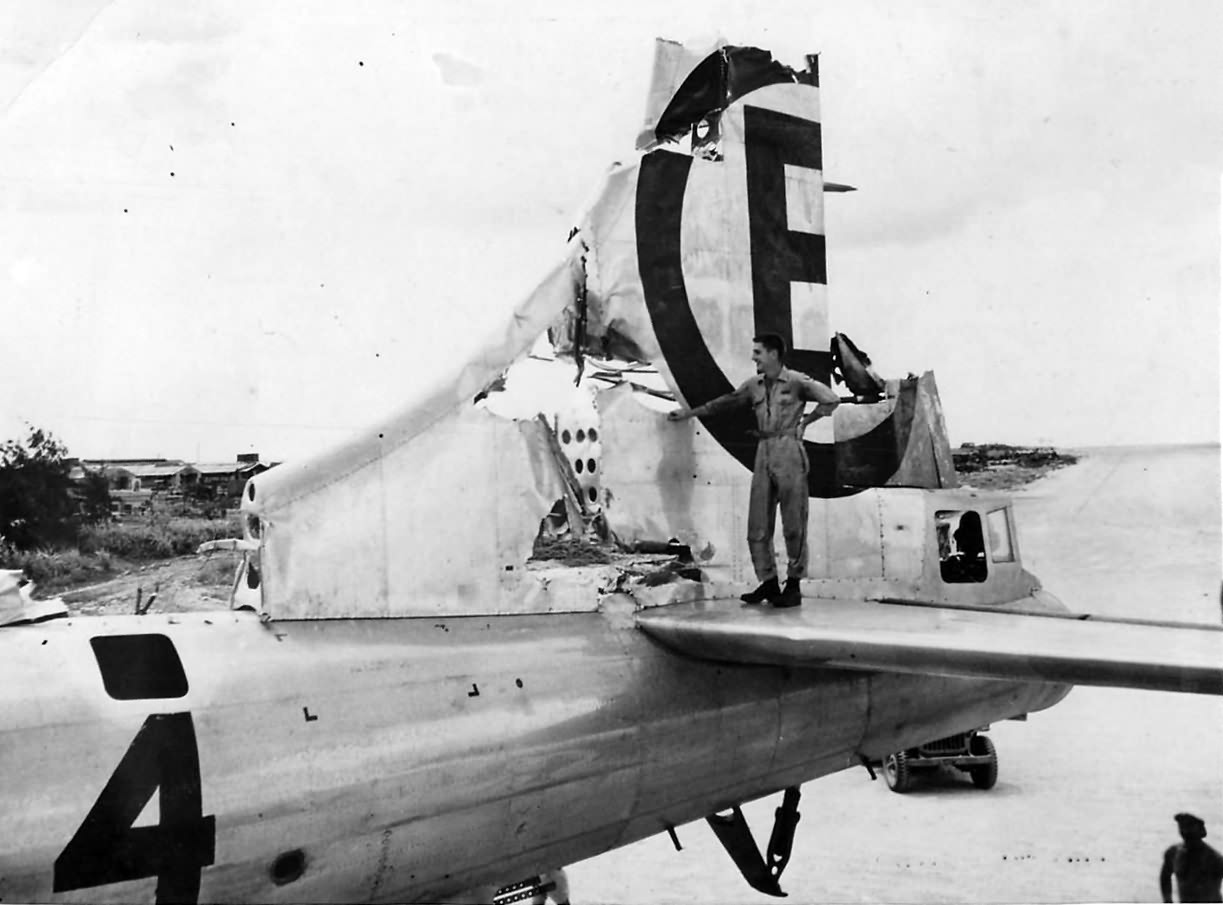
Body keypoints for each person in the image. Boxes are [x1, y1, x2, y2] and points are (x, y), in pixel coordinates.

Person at [668, 333, 839, 607]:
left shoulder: (795, 381)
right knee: (758, 524)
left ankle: (793, 586)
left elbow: (831, 399)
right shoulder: (754, 385)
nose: (753, 357)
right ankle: (769, 582)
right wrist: (689, 413)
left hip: (788, 450)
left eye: (758, 352)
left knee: (794, 522)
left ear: (773, 354)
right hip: (764, 450)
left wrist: (806, 421)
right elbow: (725, 402)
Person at [1160, 813, 1223, 902]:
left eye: (1189, 825)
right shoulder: (1173, 853)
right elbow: (1165, 877)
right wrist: (1168, 900)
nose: (1185, 829)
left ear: (1201, 830)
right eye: (1181, 825)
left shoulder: (1214, 858)